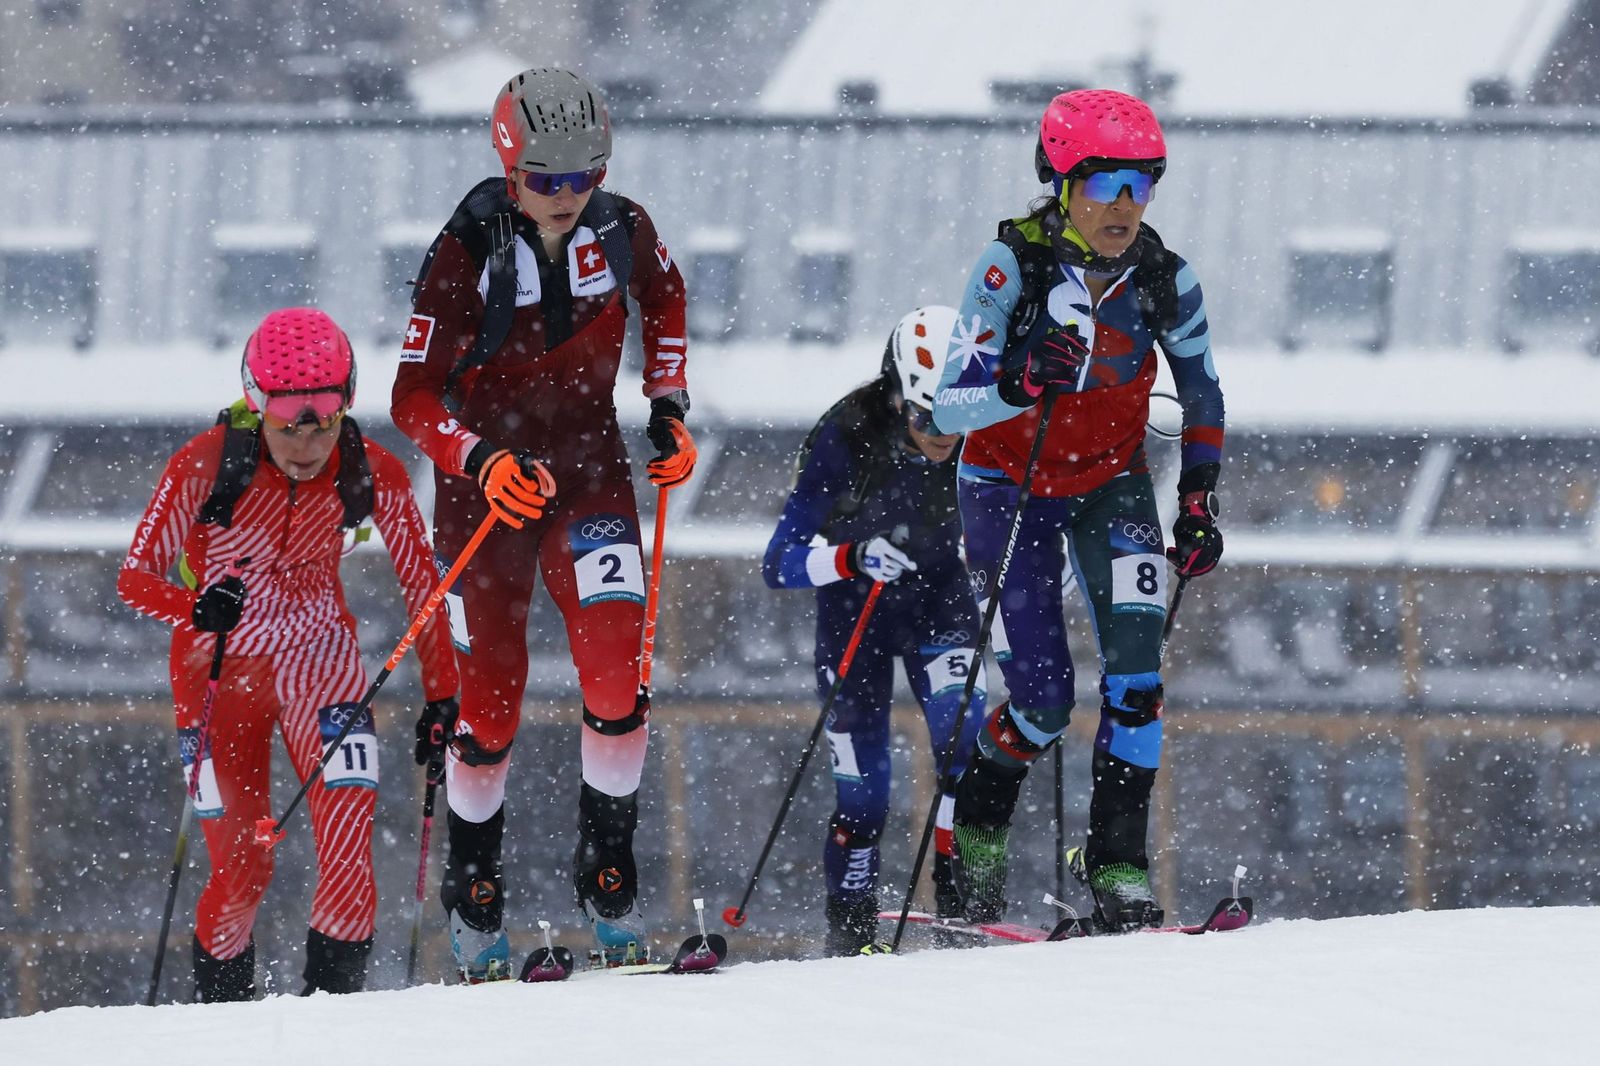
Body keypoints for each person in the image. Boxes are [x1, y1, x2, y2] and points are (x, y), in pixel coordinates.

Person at [391, 67, 694, 980]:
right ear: (509, 165)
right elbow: (411, 399)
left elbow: (667, 299)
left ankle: (610, 881)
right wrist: (479, 459)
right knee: (491, 700)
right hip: (486, 495)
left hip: (591, 471)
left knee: (615, 670)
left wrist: (670, 406)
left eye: (584, 176)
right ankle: (476, 895)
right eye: (547, 180)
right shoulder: (465, 249)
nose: (567, 198)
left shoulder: (622, 225)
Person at [930, 89, 1226, 932]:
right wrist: (1019, 379)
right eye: (1105, 183)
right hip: (1007, 490)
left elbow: (1202, 391)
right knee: (1044, 703)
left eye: (1142, 184)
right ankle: (974, 830)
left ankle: (1118, 865)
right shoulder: (1009, 270)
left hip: (1109, 485)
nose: (1125, 205)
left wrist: (1198, 500)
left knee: (1138, 682)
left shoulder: (1166, 278)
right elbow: (948, 410)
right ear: (1061, 183)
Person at [119, 307, 460, 1000]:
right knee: (244, 869)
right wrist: (196, 606)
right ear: (257, 407)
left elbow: (423, 584)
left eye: (325, 424)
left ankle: (333, 1026)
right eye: (287, 425)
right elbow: (134, 579)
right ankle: (224, 1021)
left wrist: (443, 694)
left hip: (321, 662)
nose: (306, 444)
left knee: (347, 856)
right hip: (217, 670)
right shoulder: (204, 463)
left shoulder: (375, 469)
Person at [763, 306, 986, 956]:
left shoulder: (989, 428)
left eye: (953, 419)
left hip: (940, 604)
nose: (941, 435)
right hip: (854, 613)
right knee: (865, 798)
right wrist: (849, 557)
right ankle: (852, 929)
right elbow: (777, 563)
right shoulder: (845, 435)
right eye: (924, 417)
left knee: (965, 752)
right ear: (897, 398)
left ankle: (961, 907)